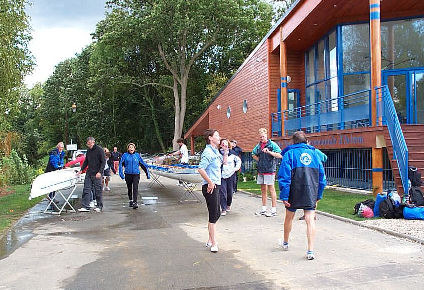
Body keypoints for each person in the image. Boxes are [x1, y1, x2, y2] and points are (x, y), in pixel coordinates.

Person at [277, 131, 326, 260]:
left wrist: (284, 196)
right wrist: (318, 195)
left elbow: (284, 177)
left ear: (293, 142)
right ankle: (310, 250)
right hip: (310, 192)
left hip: (294, 191)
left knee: (289, 217)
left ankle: (286, 242)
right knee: (310, 220)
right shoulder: (315, 154)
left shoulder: (289, 154)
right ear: (306, 141)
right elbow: (322, 178)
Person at [198, 129, 226, 253]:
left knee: (217, 213)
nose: (219, 138)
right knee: (213, 215)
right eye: (217, 136)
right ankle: (213, 243)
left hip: (216, 185)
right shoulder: (208, 152)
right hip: (210, 187)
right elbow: (201, 169)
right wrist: (209, 182)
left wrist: (225, 151)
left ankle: (210, 239)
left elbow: (223, 163)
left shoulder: (215, 151)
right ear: (210, 138)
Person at [252, 128, 282, 217]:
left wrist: (269, 152)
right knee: (263, 190)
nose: (262, 138)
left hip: (270, 170)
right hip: (261, 170)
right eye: (260, 137)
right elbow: (253, 154)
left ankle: (273, 210)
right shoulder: (258, 146)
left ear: (266, 135)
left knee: (271, 189)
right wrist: (259, 160)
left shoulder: (272, 144)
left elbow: (280, 155)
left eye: (263, 136)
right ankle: (264, 209)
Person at [78, 137, 105, 212]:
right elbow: (86, 161)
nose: (89, 145)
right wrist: (81, 170)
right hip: (89, 172)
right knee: (86, 189)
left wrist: (100, 172)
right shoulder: (88, 151)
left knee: (98, 190)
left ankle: (99, 206)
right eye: (88, 144)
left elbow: (103, 162)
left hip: (97, 173)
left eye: (90, 143)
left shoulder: (99, 150)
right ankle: (85, 206)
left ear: (93, 142)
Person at [119, 143, 150, 209]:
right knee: (129, 188)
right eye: (130, 147)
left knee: (135, 188)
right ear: (128, 149)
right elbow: (120, 165)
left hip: (136, 174)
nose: (131, 148)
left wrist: (147, 173)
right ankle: (130, 200)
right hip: (128, 174)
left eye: (132, 147)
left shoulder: (137, 155)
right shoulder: (125, 155)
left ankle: (135, 202)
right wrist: (121, 174)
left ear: (134, 148)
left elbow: (143, 164)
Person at [219, 139, 241, 216]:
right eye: (222, 144)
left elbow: (238, 161)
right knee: (222, 192)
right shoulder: (218, 154)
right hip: (221, 175)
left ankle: (228, 205)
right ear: (220, 145)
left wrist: (235, 169)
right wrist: (225, 153)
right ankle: (223, 208)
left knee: (230, 192)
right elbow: (224, 163)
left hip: (231, 175)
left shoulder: (233, 153)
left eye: (226, 144)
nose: (224, 145)